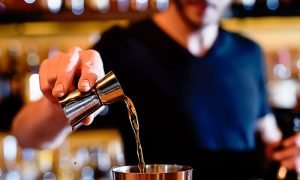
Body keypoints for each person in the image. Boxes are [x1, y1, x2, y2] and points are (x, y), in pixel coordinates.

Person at [11, 0, 300, 179]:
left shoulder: (248, 53)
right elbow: (26, 135)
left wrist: (292, 152)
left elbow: (267, 139)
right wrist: (59, 98)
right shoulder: (123, 48)